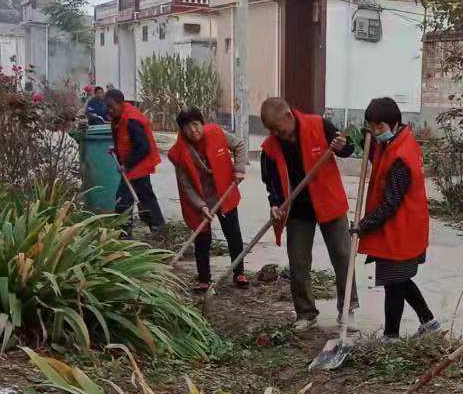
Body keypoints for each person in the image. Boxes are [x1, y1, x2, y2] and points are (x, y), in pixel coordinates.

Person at [259, 96, 355, 328]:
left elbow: (347, 147)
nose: (276, 133)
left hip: (328, 201)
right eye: (271, 130)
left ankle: (347, 307)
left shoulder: (319, 125)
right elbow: (270, 181)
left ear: (289, 116)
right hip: (297, 211)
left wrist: (344, 147)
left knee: (343, 255)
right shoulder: (270, 147)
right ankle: (305, 313)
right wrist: (275, 203)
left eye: (278, 128)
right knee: (298, 262)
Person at [354, 97, 440, 338]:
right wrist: (365, 142)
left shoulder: (402, 157)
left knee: (394, 283)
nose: (375, 131)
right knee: (400, 279)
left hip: (402, 229)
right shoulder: (394, 141)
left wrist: (363, 226)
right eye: (371, 126)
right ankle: (429, 323)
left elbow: (390, 204)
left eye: (379, 127)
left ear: (394, 123)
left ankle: (391, 337)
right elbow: (379, 159)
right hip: (401, 228)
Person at [168, 107, 249, 294]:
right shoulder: (177, 152)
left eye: (196, 125)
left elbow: (240, 146)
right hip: (199, 198)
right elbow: (185, 184)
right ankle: (204, 278)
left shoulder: (217, 133)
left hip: (224, 192)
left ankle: (239, 272)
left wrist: (239, 169)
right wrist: (201, 205)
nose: (193, 130)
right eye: (187, 127)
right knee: (202, 239)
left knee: (233, 234)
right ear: (182, 130)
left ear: (202, 124)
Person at [104, 87, 166, 233]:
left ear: (121, 103)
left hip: (140, 163)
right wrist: (116, 150)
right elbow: (125, 139)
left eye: (112, 107)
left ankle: (123, 232)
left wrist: (127, 164)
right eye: (107, 107)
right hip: (134, 163)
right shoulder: (119, 117)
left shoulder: (132, 120)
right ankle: (158, 227)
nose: (110, 111)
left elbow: (143, 146)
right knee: (144, 196)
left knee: (124, 198)